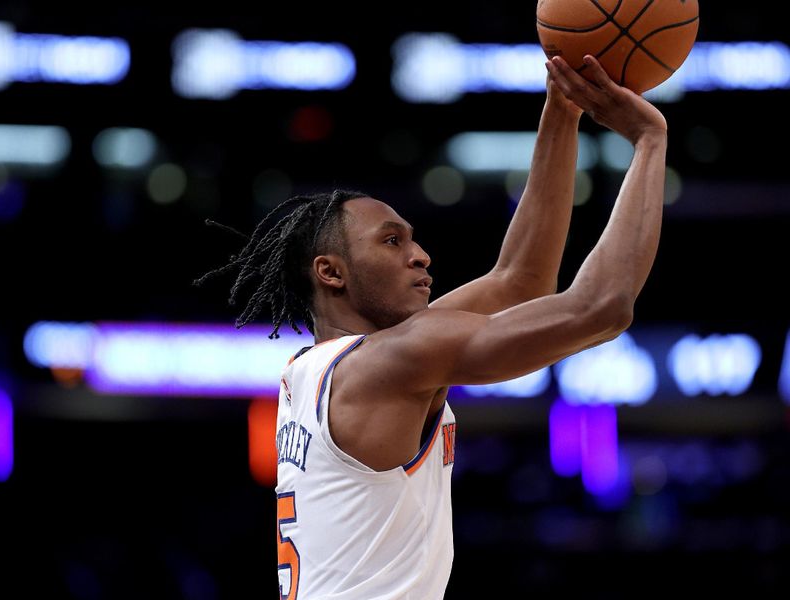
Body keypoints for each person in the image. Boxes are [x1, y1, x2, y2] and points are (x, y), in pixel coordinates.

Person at [195, 55, 668, 600]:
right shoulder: (393, 360)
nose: (421, 255)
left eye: (414, 239)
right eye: (392, 241)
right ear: (330, 272)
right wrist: (649, 143)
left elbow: (520, 280)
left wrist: (560, 111)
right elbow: (602, 307)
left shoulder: (316, 368)